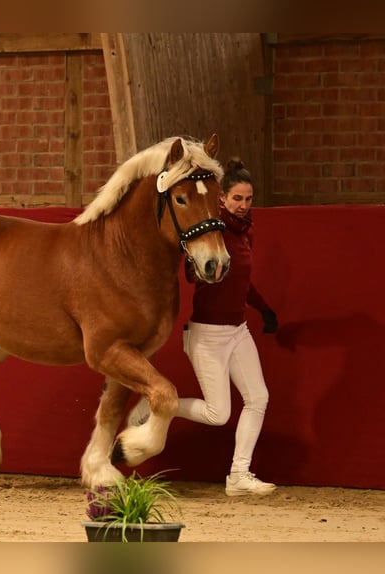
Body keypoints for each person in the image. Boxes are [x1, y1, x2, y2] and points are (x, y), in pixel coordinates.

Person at [128, 158, 279, 496]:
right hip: (208, 334)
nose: (243, 205)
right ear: (221, 199)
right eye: (237, 199)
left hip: (237, 331)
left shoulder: (245, 233)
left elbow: (244, 282)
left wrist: (264, 310)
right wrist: (201, 271)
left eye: (248, 199)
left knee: (258, 398)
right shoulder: (210, 229)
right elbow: (192, 273)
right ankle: (157, 403)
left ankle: (239, 475)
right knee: (218, 414)